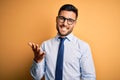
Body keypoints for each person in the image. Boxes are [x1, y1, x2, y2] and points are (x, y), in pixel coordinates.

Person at [28, 4, 96, 80]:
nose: (64, 23)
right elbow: (36, 77)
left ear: (74, 23)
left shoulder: (83, 47)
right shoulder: (45, 45)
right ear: (57, 19)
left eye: (70, 20)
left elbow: (89, 77)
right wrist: (37, 60)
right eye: (62, 18)